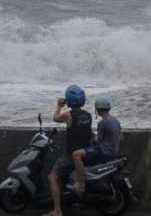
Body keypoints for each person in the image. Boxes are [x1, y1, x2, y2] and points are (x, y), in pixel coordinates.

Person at [44, 85, 93, 216]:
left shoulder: (68, 115)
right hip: (85, 153)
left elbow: (55, 118)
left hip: (71, 156)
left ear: (69, 100)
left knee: (52, 177)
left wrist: (59, 106)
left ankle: (57, 210)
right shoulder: (88, 116)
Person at [70, 96, 121, 195]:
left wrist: (92, 136)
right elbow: (120, 137)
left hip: (105, 152)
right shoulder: (115, 120)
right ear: (108, 108)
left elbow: (99, 142)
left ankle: (80, 184)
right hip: (114, 151)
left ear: (97, 109)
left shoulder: (103, 123)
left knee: (76, 154)